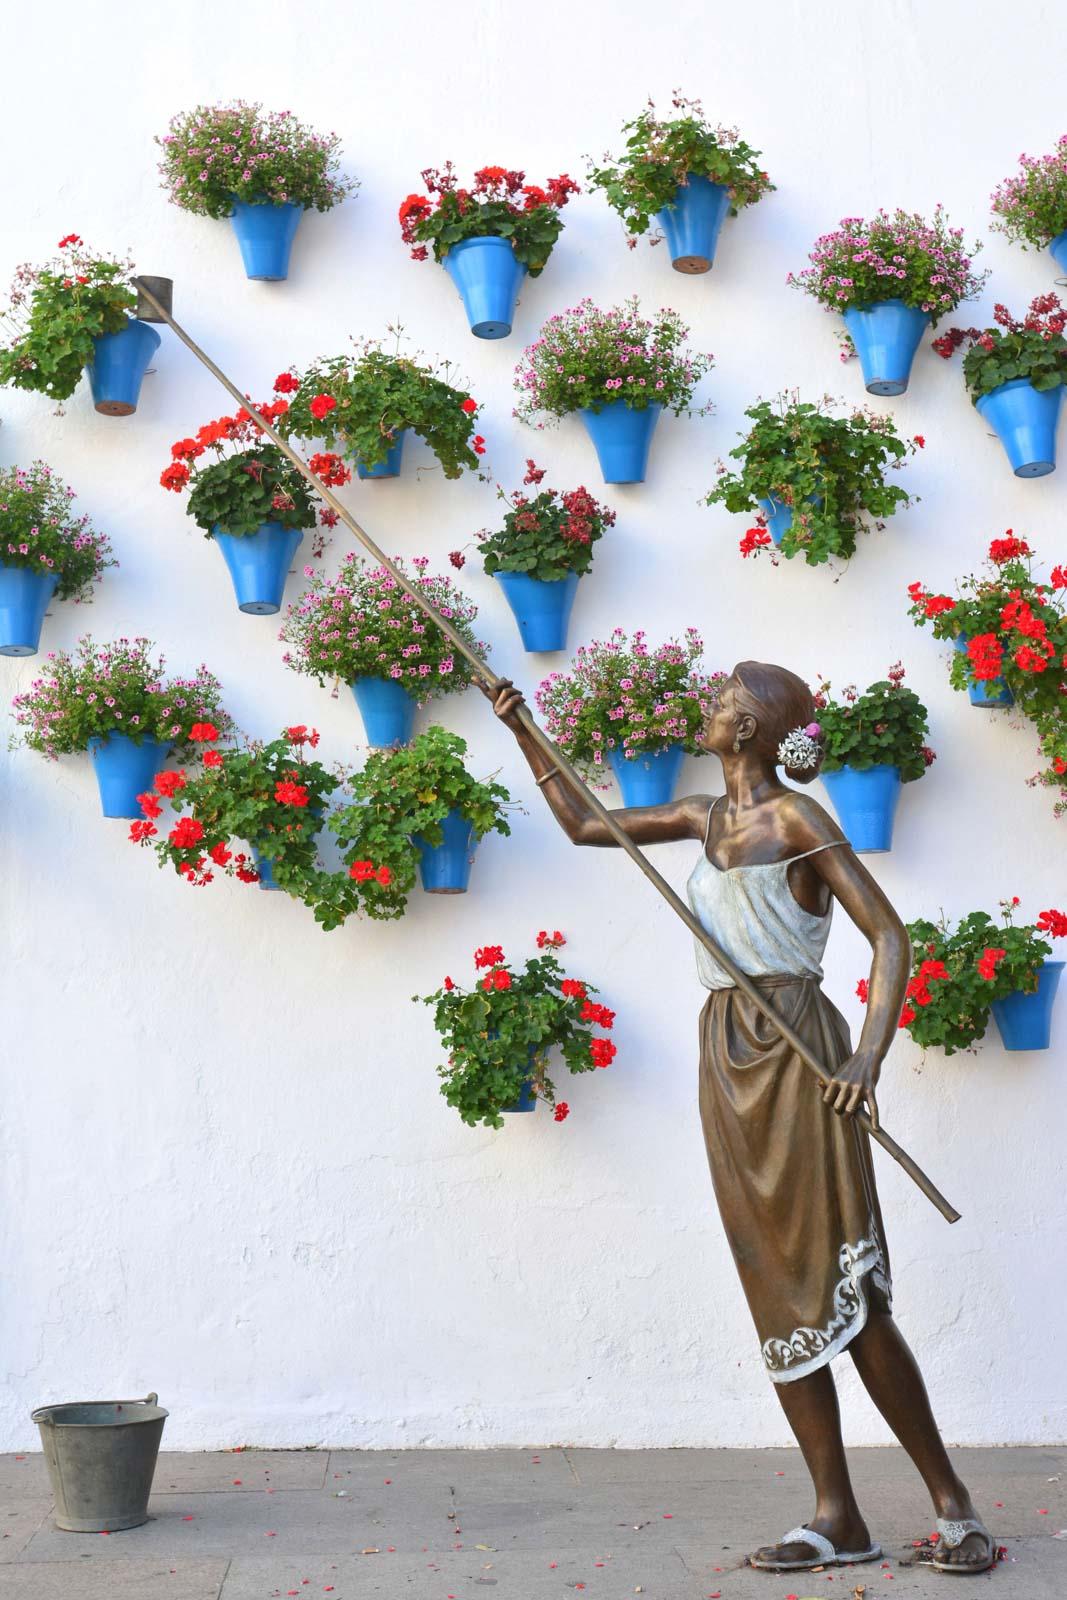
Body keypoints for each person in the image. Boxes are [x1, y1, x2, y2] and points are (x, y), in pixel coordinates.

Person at [482, 660, 994, 1576]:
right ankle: (835, 1513)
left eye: (722, 703)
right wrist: (522, 729)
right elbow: (583, 825)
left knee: (848, 1288)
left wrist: (865, 1059)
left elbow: (888, 934)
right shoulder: (696, 815)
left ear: (753, 728)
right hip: (726, 1052)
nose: (707, 712)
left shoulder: (796, 821)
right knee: (774, 1284)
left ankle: (951, 1504)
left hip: (801, 1051)